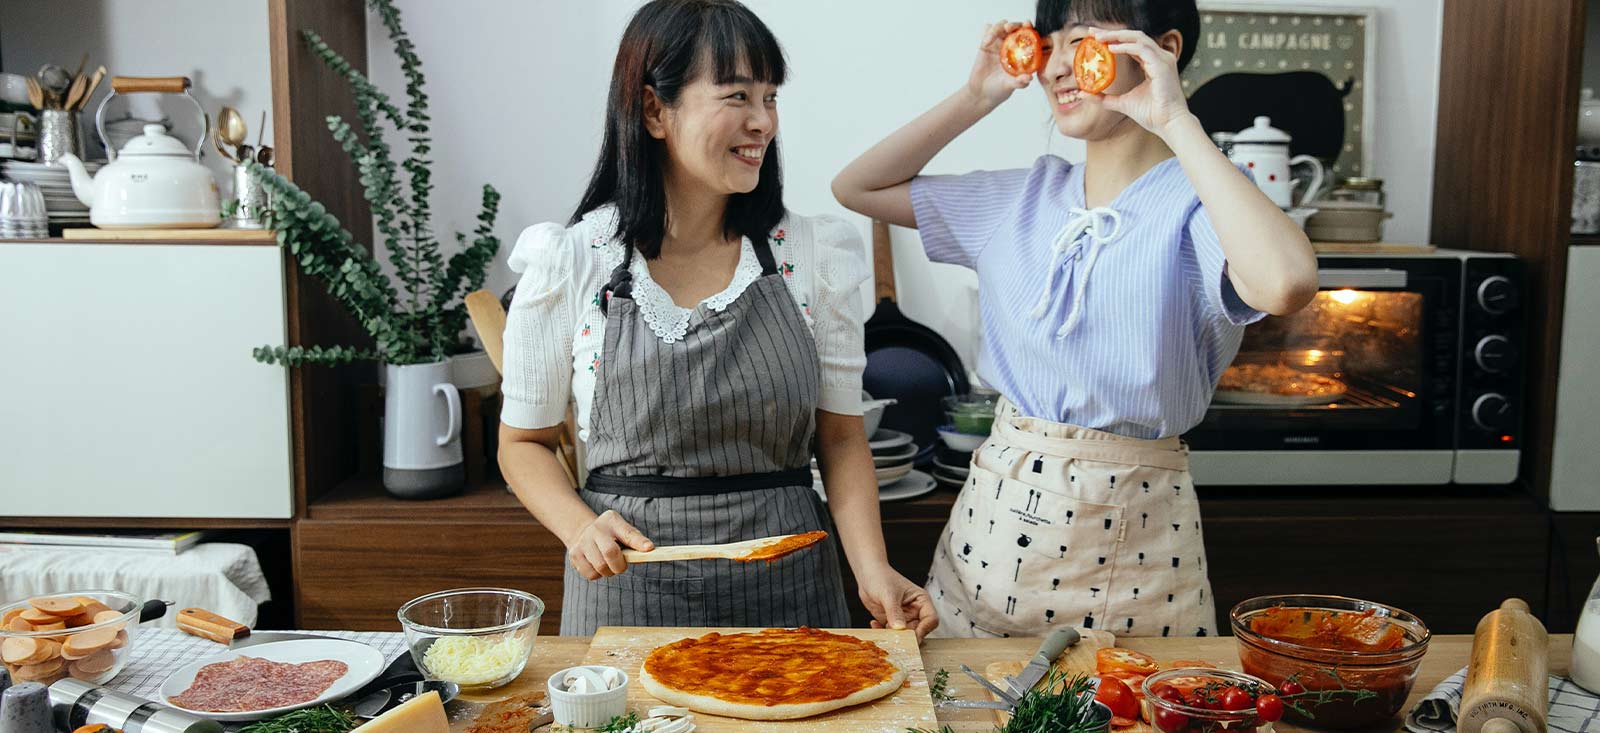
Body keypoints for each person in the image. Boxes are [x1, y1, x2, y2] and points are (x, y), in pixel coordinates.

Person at [830, 0, 1317, 637]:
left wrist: (1176, 120)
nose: (1058, 65)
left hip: (1141, 535)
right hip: (993, 532)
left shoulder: (1204, 205)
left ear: (1163, 50)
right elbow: (855, 187)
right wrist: (977, 97)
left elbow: (1286, 283)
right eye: (1049, 43)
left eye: (1082, 41)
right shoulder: (1019, 195)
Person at [498, 0, 938, 639]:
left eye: (771, 98)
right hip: (628, 597)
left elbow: (840, 439)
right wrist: (578, 526)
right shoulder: (571, 260)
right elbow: (523, 444)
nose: (763, 122)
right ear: (654, 110)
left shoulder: (814, 256)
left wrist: (873, 572)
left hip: (788, 590)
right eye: (737, 96)